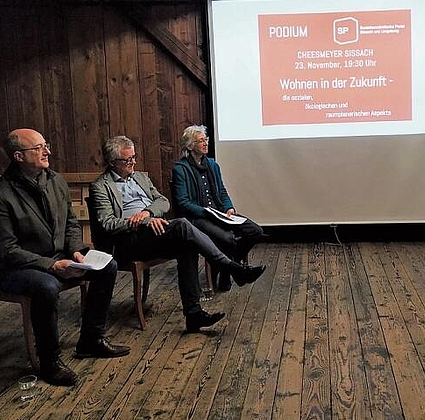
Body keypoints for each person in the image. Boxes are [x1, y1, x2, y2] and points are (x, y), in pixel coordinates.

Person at [89, 136, 266, 333]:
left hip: (153, 231)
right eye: (127, 160)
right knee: (182, 224)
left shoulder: (140, 177)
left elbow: (163, 202)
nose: (133, 162)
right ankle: (231, 266)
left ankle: (193, 315)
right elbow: (108, 224)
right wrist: (143, 221)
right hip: (128, 240)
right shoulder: (100, 186)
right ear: (113, 162)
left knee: (186, 245)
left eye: (134, 157)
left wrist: (148, 213)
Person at [0, 129, 130, 387]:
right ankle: (50, 361)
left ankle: (91, 340)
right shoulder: (3, 193)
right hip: (17, 266)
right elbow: (7, 250)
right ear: (18, 156)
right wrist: (51, 265)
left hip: (58, 255)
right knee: (46, 285)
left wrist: (75, 253)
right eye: (38, 148)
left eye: (45, 145)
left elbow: (71, 224)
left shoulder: (55, 180)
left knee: (107, 265)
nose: (47, 151)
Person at [171, 125, 266, 291]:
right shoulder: (180, 169)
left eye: (205, 139)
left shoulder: (213, 165)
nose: (205, 143)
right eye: (200, 141)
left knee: (255, 231)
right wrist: (206, 212)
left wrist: (229, 207)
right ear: (190, 145)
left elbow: (222, 191)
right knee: (228, 240)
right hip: (198, 218)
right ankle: (233, 272)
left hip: (219, 213)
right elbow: (182, 202)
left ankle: (228, 268)